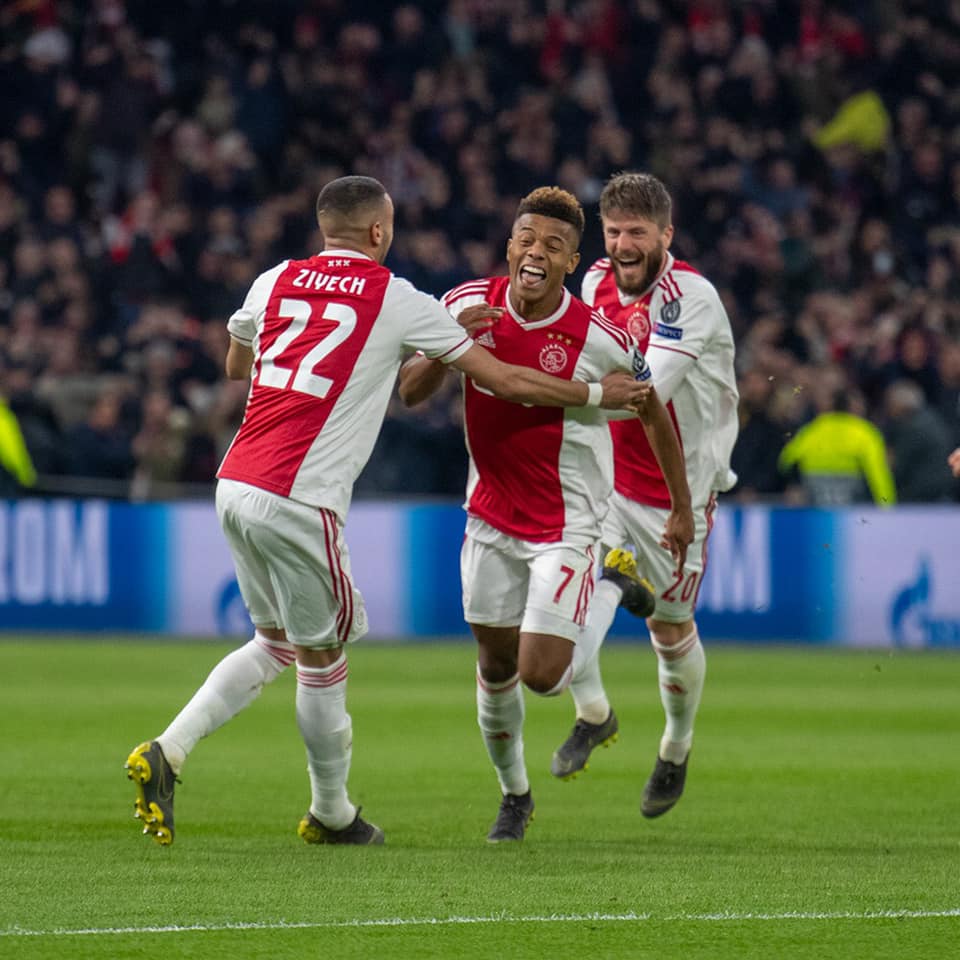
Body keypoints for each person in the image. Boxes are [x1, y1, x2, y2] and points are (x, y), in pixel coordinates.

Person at [124, 176, 648, 848]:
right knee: (321, 660)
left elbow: (236, 364)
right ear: (379, 231)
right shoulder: (397, 298)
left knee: (275, 643)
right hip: (300, 496)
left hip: (235, 482)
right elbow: (504, 379)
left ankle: (170, 751)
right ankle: (332, 813)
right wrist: (596, 394)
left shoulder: (274, 278)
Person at [398, 186, 694, 842]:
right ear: (509, 246)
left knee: (540, 675)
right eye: (526, 240)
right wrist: (448, 346)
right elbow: (411, 390)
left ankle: (610, 584)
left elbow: (653, 410)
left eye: (553, 246)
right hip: (488, 517)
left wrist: (681, 506)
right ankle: (515, 796)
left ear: (570, 262)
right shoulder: (464, 302)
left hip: (568, 523)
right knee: (495, 666)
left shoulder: (600, 336)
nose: (536, 252)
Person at [551, 172, 739, 820]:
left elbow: (641, 395)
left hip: (677, 489)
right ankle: (593, 713)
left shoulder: (691, 299)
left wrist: (545, 391)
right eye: (613, 232)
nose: (623, 244)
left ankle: (676, 746)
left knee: (670, 627)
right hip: (605, 477)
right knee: (568, 600)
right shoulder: (594, 283)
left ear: (666, 234)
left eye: (637, 232)